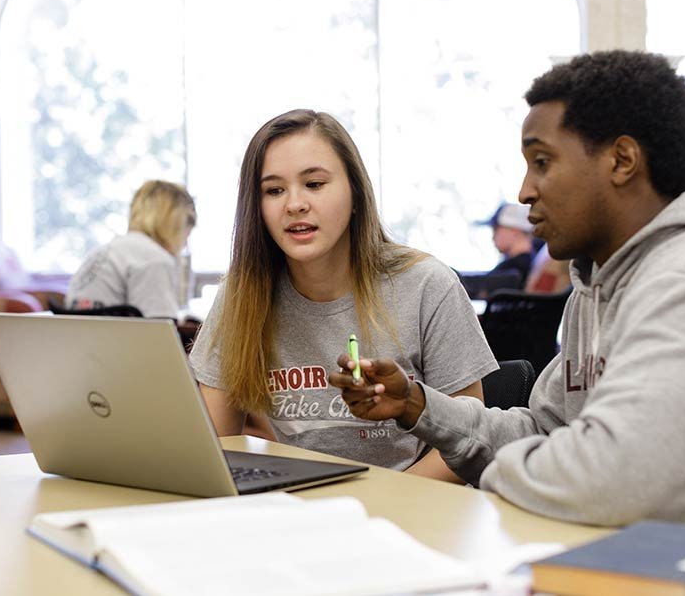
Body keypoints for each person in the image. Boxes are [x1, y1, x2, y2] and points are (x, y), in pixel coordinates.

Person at [329, 51, 685, 559]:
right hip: (637, 567)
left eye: (542, 162)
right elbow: (545, 431)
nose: (524, 191)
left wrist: (483, 475)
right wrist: (416, 404)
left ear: (622, 160)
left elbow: (614, 482)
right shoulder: (598, 284)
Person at [189, 109, 496, 482]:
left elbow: (465, 443)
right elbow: (212, 447)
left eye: (314, 184)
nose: (294, 204)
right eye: (274, 190)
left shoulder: (427, 285)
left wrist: (379, 503)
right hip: (299, 511)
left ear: (355, 194)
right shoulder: (242, 295)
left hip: (408, 508)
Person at [66, 179, 196, 318]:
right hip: (115, 338)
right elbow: (160, 330)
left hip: (76, 337)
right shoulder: (155, 259)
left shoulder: (102, 252)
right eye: (187, 232)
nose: (184, 243)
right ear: (176, 222)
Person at [477, 202, 535, 284]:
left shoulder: (513, 269)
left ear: (514, 232)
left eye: (496, 230)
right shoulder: (531, 264)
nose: (493, 237)